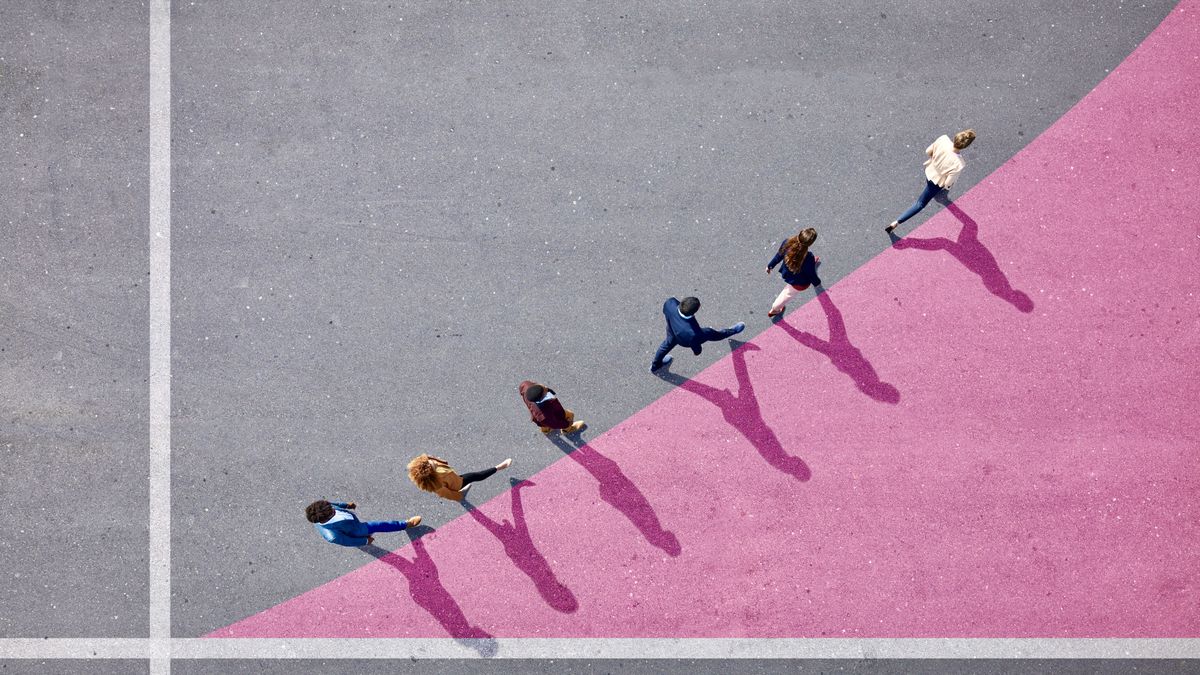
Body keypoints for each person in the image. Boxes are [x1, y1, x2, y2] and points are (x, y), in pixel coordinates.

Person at [886, 129, 976, 233]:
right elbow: (948, 183)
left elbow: (928, 151)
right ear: (966, 146)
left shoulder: (943, 139)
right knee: (920, 203)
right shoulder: (959, 163)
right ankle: (897, 221)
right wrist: (946, 187)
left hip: (929, 171)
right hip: (936, 184)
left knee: (921, 200)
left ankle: (896, 222)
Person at [649, 296, 745, 373]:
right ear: (695, 311)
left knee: (665, 346)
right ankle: (733, 331)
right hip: (686, 339)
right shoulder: (694, 333)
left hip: (672, 331)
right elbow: (696, 346)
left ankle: (655, 366)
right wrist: (697, 352)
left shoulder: (670, 303)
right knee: (713, 334)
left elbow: (666, 311)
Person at [305, 500, 421, 547]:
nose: (334, 508)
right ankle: (405, 524)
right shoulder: (332, 536)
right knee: (380, 525)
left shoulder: (324, 508)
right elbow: (347, 541)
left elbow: (333, 503)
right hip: (356, 530)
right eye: (332, 511)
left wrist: (345, 505)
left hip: (352, 523)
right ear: (325, 518)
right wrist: (365, 541)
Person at [407, 454, 513, 502]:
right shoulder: (437, 486)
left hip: (455, 478)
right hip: (458, 483)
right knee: (476, 476)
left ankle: (462, 494)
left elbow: (430, 459)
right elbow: (448, 494)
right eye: (433, 465)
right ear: (432, 475)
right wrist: (459, 496)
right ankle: (499, 467)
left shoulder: (427, 461)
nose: (434, 460)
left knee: (474, 476)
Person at [765, 228, 821, 318]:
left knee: (787, 293)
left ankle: (775, 310)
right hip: (799, 282)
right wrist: (817, 283)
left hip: (788, 273)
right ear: (810, 244)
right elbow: (811, 274)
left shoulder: (787, 243)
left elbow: (778, 256)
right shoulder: (808, 257)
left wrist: (770, 266)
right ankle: (775, 308)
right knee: (786, 294)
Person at [519, 380, 586, 434]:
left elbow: (523, 385)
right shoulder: (545, 415)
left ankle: (546, 430)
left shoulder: (526, 387)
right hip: (555, 414)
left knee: (543, 424)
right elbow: (555, 424)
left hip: (537, 417)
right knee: (570, 415)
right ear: (542, 397)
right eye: (544, 389)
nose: (545, 386)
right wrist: (567, 424)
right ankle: (567, 430)